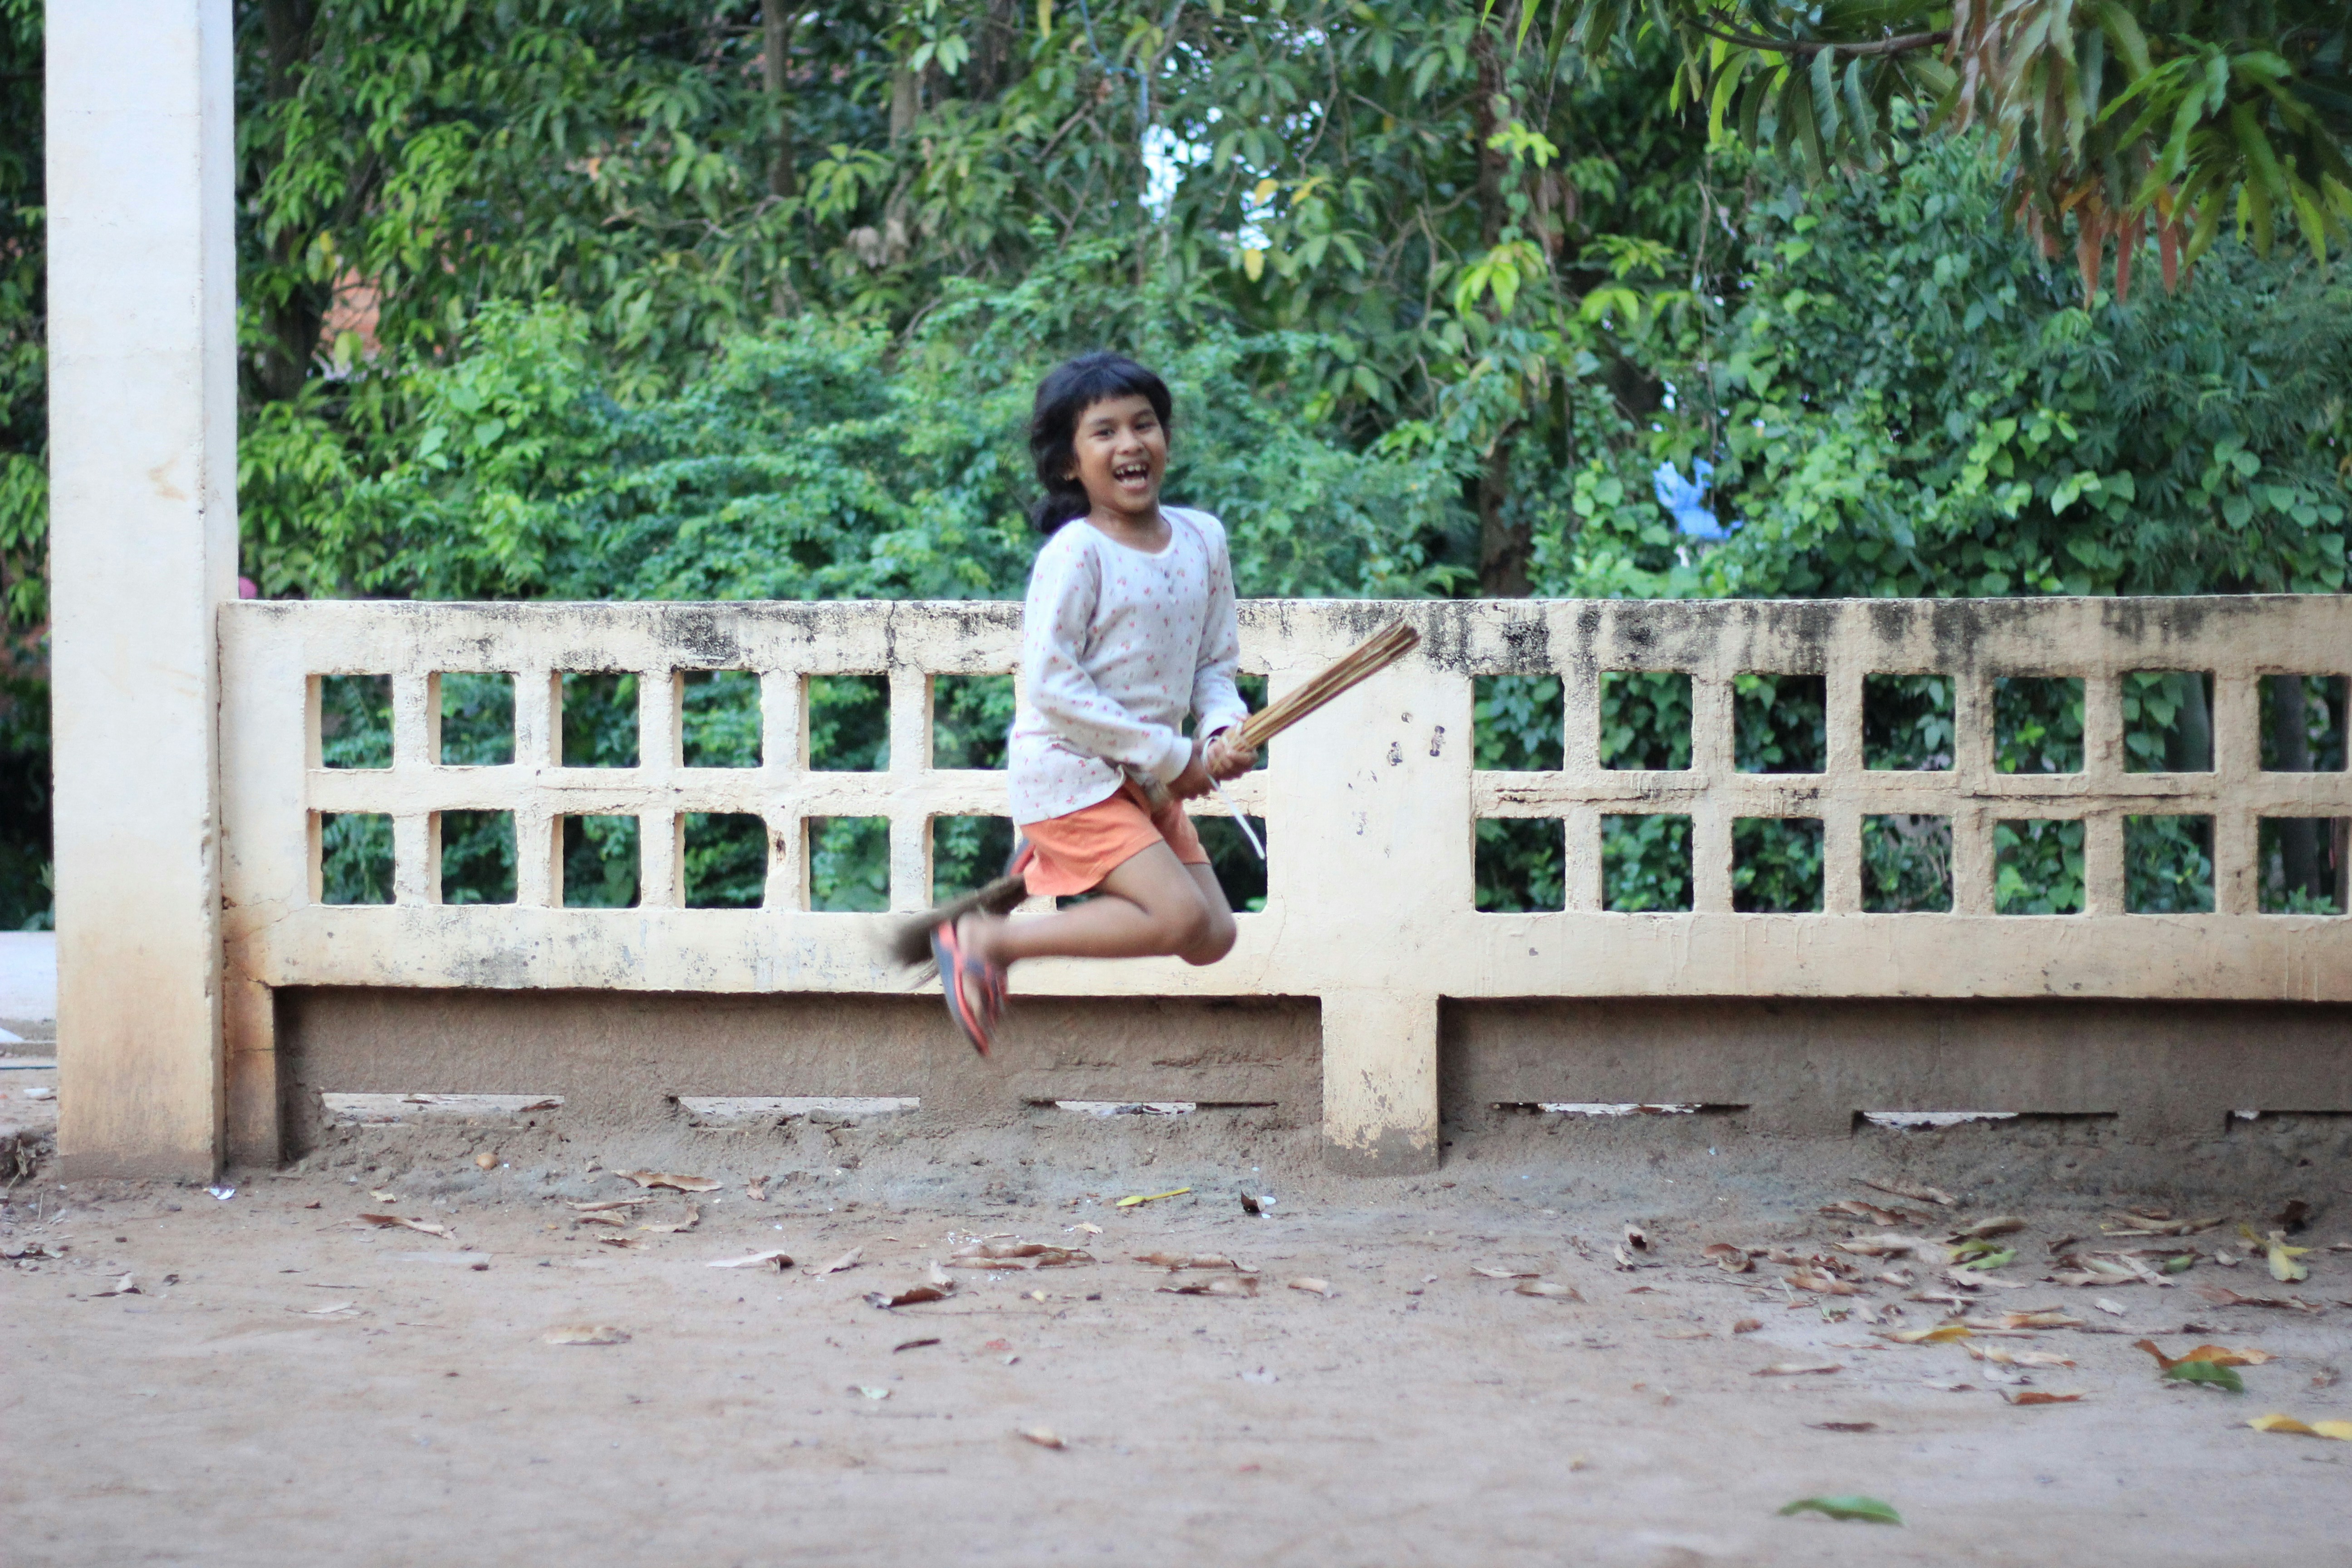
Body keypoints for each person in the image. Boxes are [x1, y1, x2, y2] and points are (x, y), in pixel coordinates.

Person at [930, 352, 1256, 1054]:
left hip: (1143, 778)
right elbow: (1050, 685)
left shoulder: (1204, 539)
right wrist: (1175, 756)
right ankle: (985, 938)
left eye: (1144, 425)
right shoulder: (1075, 553)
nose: (1131, 444)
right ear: (1070, 464)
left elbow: (1214, 666)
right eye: (1104, 432)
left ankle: (1037, 876)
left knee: (1213, 936)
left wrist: (1222, 730)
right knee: (1174, 918)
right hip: (1071, 770)